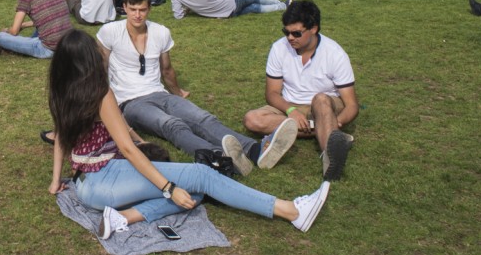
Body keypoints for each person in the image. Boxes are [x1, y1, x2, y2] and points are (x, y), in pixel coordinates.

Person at [48, 30, 330, 240]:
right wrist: (167, 187)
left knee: (193, 192)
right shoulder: (100, 93)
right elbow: (129, 148)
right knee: (202, 175)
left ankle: (122, 217)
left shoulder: (61, 91)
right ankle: (291, 211)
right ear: (90, 59)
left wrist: (54, 181)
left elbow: (61, 137)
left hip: (84, 187)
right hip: (106, 179)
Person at [97, 0, 296, 174]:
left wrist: (178, 95)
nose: (137, 15)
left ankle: (255, 150)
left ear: (150, 8)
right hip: (130, 102)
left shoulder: (161, 32)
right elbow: (100, 70)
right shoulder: (110, 32)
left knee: (203, 118)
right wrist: (108, 106)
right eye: (132, 9)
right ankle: (218, 158)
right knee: (171, 125)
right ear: (124, 7)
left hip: (159, 93)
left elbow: (167, 69)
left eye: (142, 9)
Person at [243, 0, 358, 181]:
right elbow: (272, 93)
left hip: (324, 106)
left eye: (296, 33)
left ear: (314, 29)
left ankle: (329, 158)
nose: (290, 38)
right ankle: (328, 133)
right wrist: (291, 111)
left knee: (320, 99)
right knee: (252, 119)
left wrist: (339, 121)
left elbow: (351, 105)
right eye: (286, 32)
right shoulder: (279, 48)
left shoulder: (334, 53)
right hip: (291, 106)